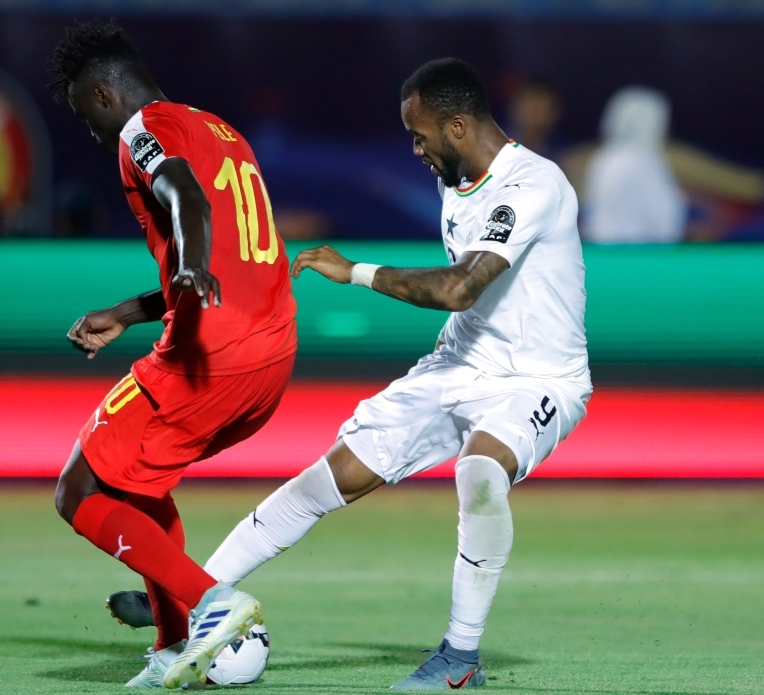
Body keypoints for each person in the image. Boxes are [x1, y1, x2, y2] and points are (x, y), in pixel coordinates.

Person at [113, 57, 591, 690]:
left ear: (456, 126)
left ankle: (459, 658)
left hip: (540, 379)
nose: (414, 148)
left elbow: (458, 288)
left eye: (418, 135)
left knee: (479, 469)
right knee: (327, 478)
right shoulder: (460, 177)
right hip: (458, 365)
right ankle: (195, 590)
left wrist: (355, 271)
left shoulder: (533, 184)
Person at [48, 19, 297, 689]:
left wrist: (189, 260)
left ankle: (214, 602)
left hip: (210, 356)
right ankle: (171, 644)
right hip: (270, 357)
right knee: (139, 482)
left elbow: (182, 194)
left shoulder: (142, 131)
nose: (94, 135)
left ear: (103, 94)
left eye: (85, 116)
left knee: (78, 490)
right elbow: (230, 260)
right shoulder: (222, 131)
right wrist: (126, 313)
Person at [582, 86, 687, 243]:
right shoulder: (641, 162)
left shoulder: (604, 158)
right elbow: (664, 219)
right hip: (639, 256)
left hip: (604, 253)